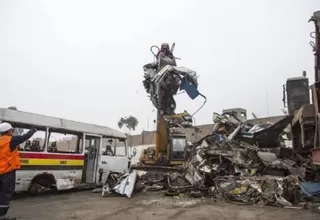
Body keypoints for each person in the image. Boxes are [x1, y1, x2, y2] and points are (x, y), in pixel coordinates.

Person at [0, 122, 37, 220]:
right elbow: (25, 137)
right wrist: (33, 130)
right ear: (8, 131)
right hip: (7, 171)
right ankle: (2, 216)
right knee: (6, 193)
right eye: (11, 130)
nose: (12, 132)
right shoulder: (11, 140)